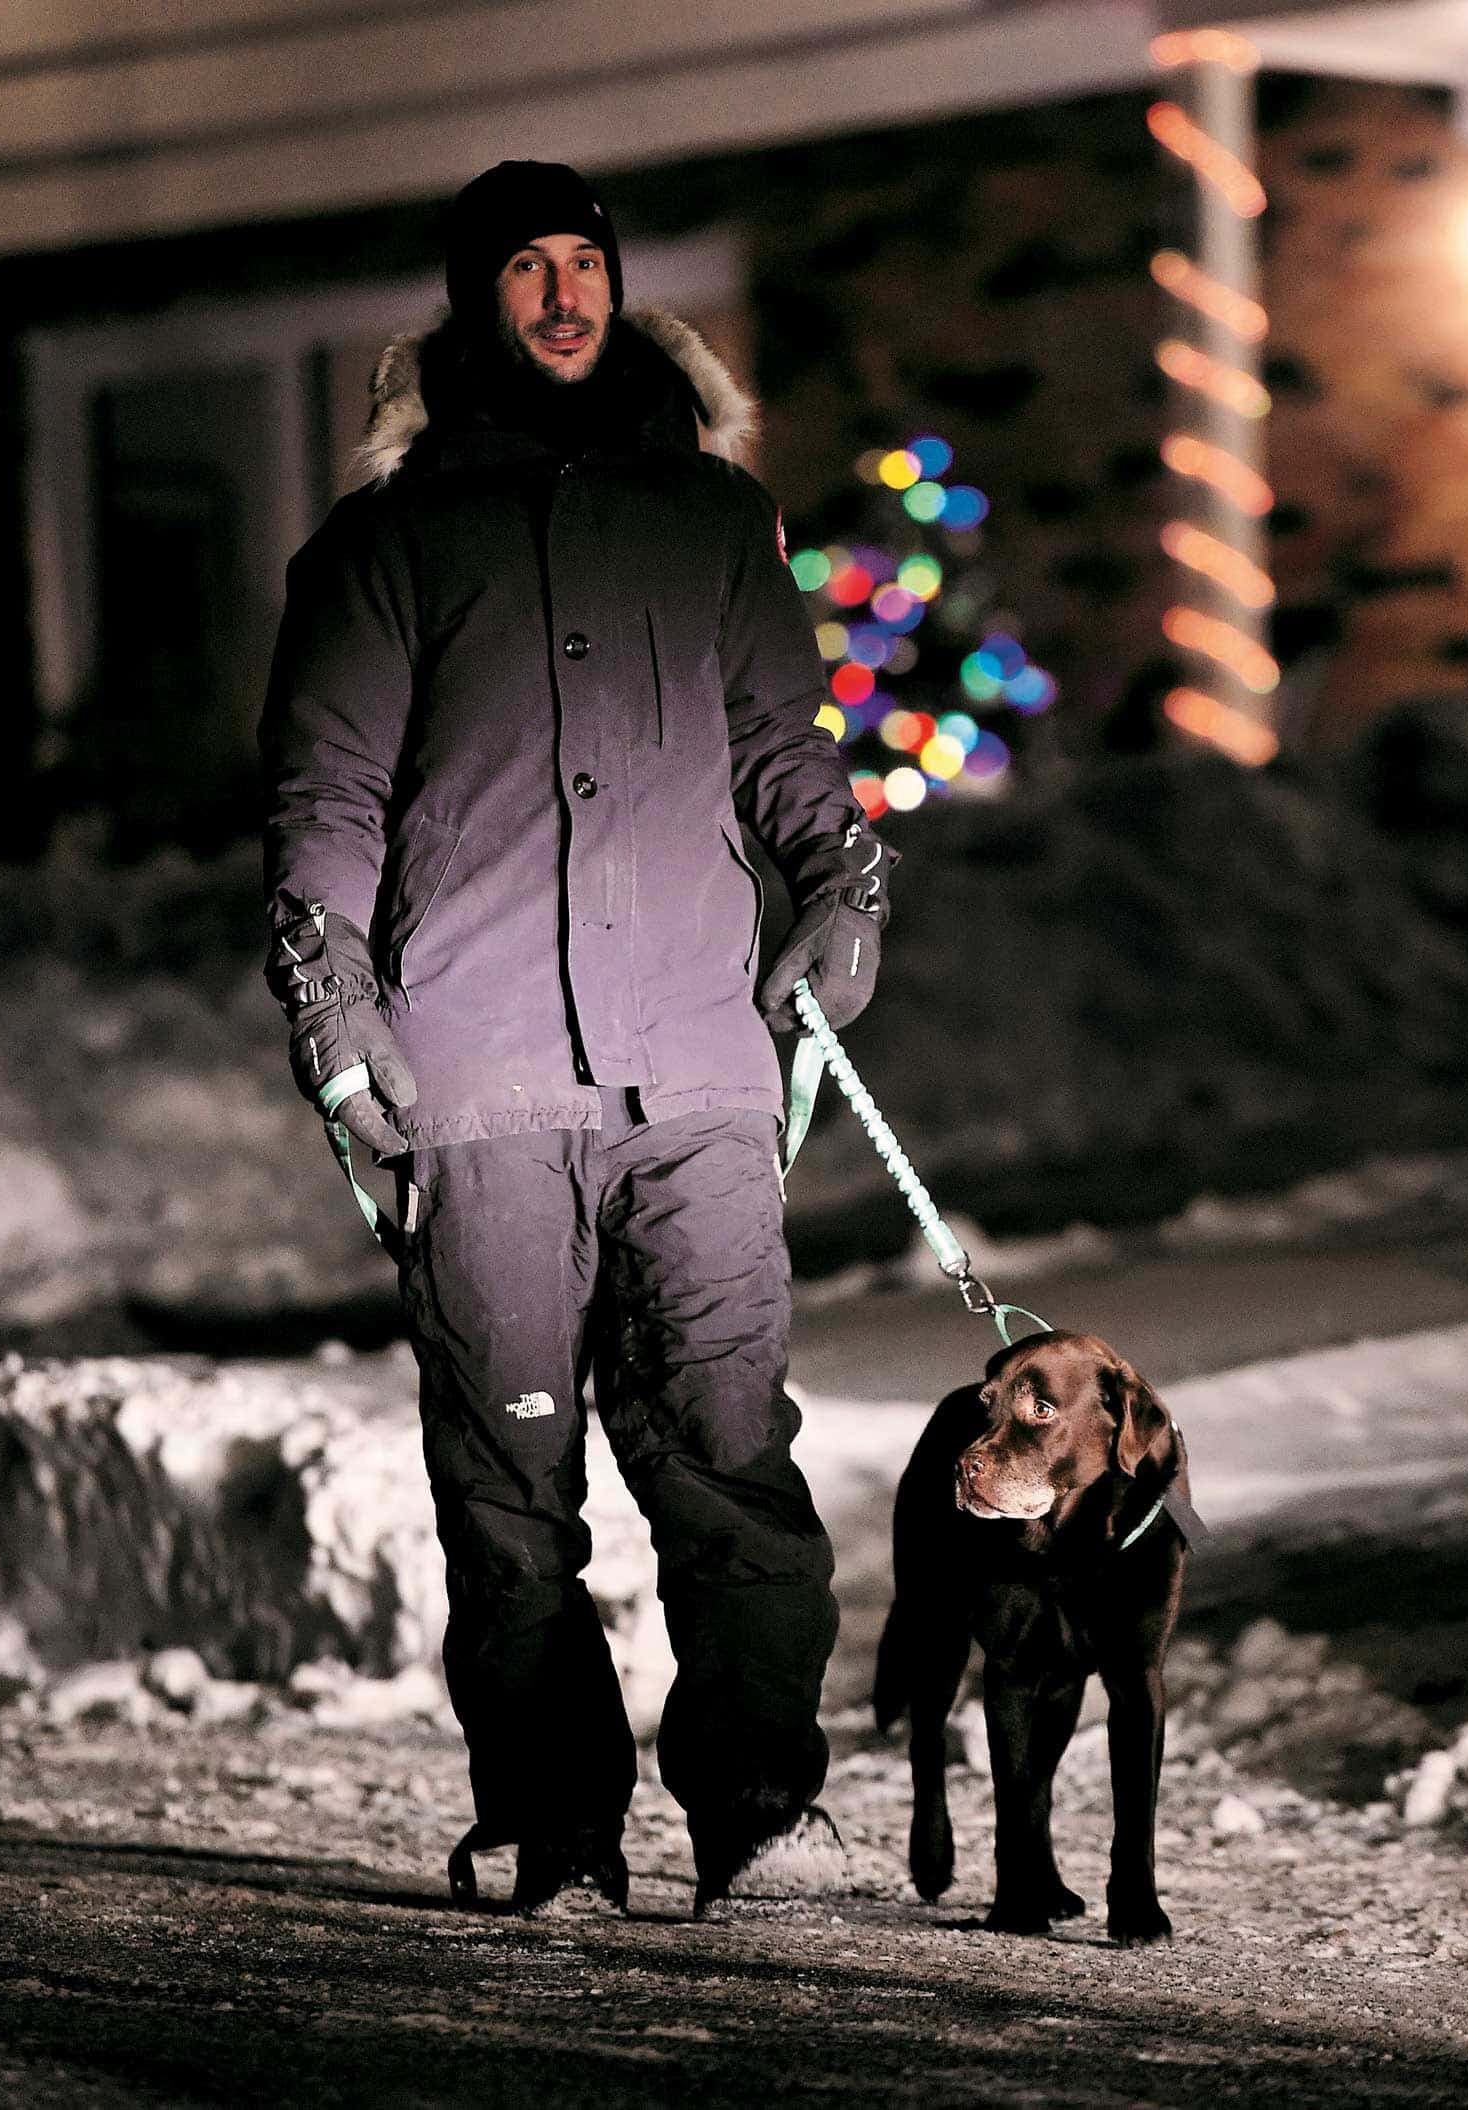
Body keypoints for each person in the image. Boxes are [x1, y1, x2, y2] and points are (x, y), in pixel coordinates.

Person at [259, 160, 895, 1917]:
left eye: (585, 266)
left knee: (728, 1453)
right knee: (511, 1476)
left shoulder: (714, 519)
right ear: (477, 302)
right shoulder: (386, 549)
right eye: (524, 269)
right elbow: (324, 805)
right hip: (475, 1086)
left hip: (693, 1064)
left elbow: (789, 752)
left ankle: (758, 1811)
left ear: (619, 290)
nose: (561, 296)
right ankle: (554, 1820)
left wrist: (843, 890)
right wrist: (338, 1023)